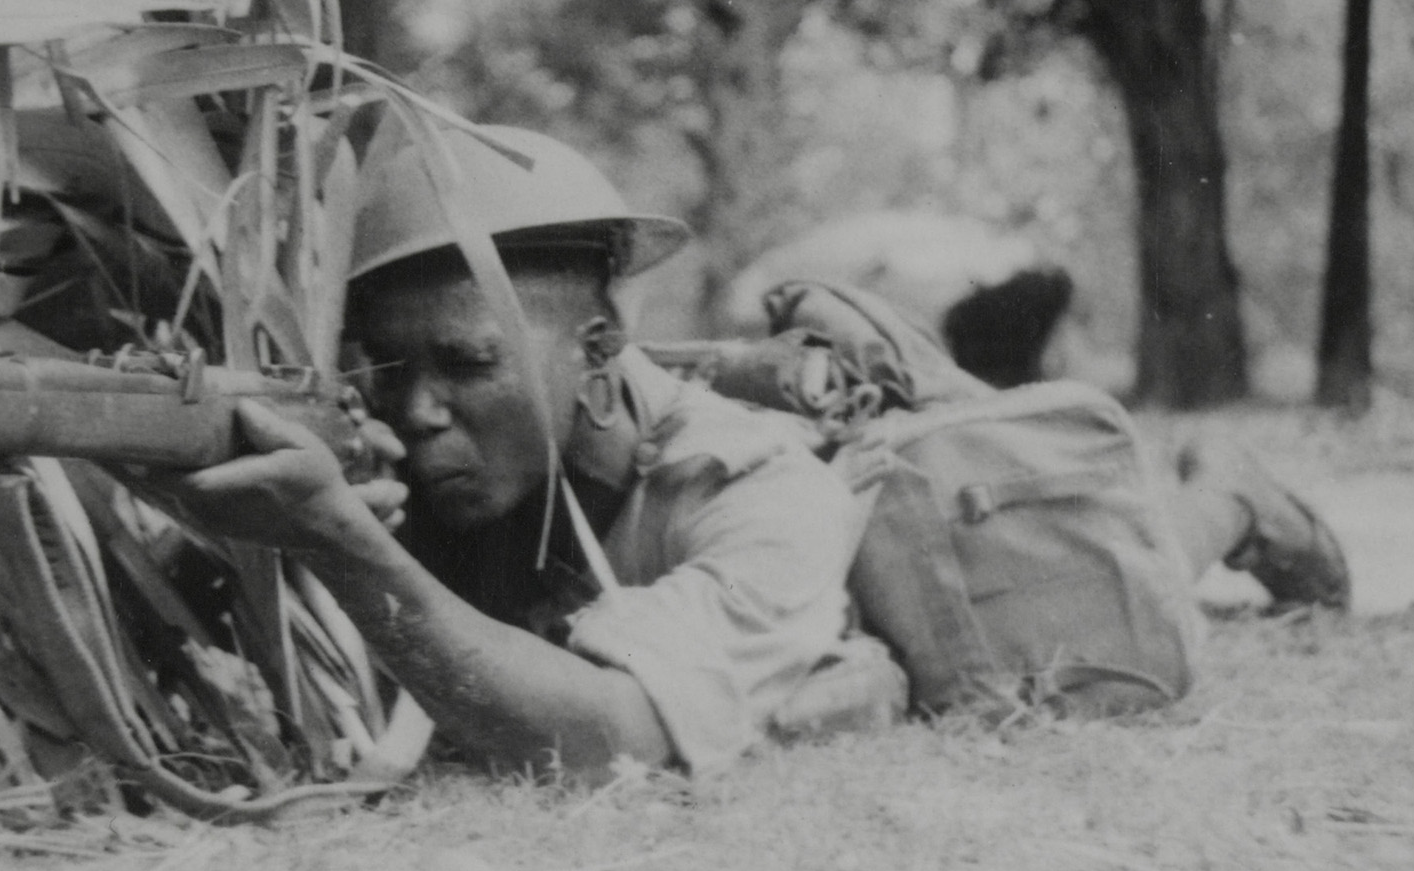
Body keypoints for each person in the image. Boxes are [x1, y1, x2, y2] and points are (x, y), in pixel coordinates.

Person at [162, 125, 1350, 781]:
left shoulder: (754, 487)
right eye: (387, 371)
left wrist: (349, 547)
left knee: (1079, 609)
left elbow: (608, 742)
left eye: (468, 368)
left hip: (902, 544)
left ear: (598, 346)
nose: (418, 415)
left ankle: (1228, 505)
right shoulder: (416, 446)